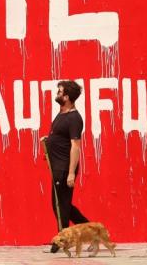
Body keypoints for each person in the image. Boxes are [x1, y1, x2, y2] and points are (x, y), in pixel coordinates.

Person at [42, 80, 89, 253]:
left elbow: (75, 146)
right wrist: (48, 142)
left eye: (60, 92)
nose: (57, 94)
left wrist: (71, 173)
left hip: (64, 168)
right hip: (57, 168)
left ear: (67, 97)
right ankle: (89, 230)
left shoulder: (74, 118)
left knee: (61, 206)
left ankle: (61, 240)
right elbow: (59, 139)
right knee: (62, 205)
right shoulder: (61, 114)